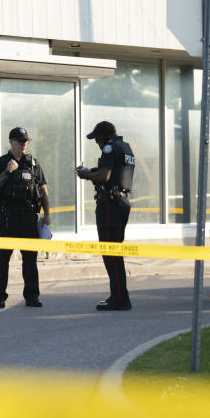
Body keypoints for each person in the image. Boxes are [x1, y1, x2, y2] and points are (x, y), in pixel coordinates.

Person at [0, 127, 51, 309]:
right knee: (3, 259)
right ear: (11, 142)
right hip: (8, 218)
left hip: (29, 218)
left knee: (30, 259)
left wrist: (46, 215)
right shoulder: (0, 162)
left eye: (26, 141)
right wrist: (7, 171)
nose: (23, 144)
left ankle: (32, 296)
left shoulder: (33, 164)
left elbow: (43, 190)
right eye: (20, 141)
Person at [75, 121, 135, 311]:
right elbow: (113, 173)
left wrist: (86, 175)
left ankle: (120, 299)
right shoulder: (125, 147)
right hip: (121, 203)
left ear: (104, 137)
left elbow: (105, 176)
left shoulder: (109, 148)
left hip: (110, 205)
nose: (97, 144)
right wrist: (92, 171)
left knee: (110, 253)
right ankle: (118, 295)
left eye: (97, 140)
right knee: (115, 252)